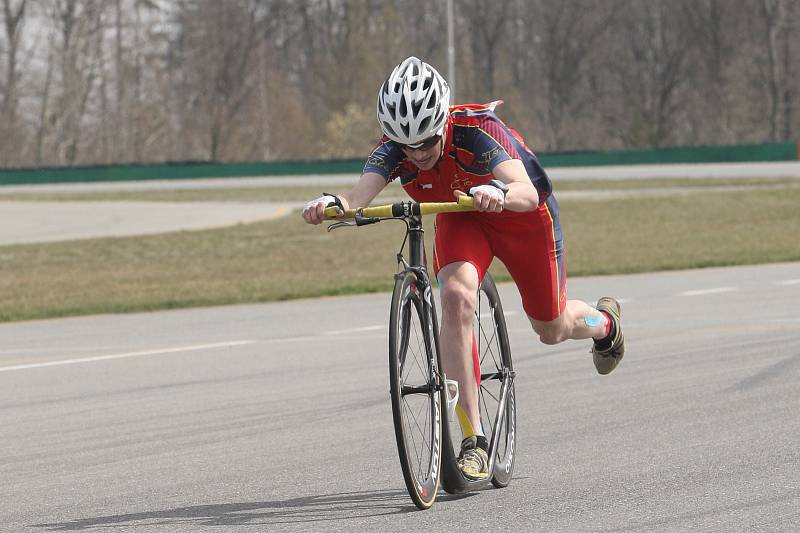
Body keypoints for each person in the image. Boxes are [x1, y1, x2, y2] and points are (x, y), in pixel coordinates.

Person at [302, 56, 625, 481]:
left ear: (442, 124)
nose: (416, 155)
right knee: (454, 298)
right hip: (462, 214)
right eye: (406, 146)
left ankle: (606, 325)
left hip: (520, 218)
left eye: (426, 143)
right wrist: (331, 205)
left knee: (551, 327)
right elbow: (358, 195)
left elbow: (527, 190)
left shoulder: (477, 131)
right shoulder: (395, 148)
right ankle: (474, 440)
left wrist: (498, 189)